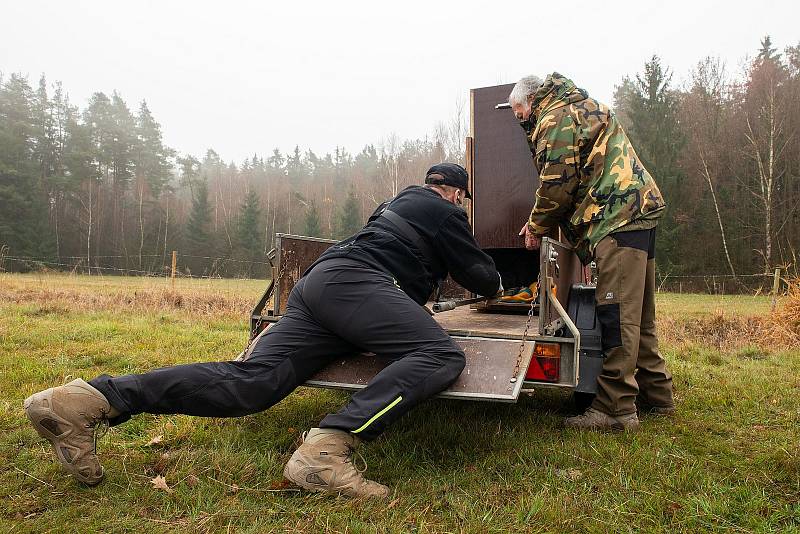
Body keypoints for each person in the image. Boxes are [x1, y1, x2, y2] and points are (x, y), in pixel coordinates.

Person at [24, 163, 502, 499]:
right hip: (357, 285)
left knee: (252, 382)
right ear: (456, 192)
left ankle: (87, 400)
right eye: (461, 196)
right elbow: (479, 275)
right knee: (439, 355)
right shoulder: (444, 211)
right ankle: (327, 451)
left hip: (322, 285)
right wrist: (503, 283)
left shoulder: (394, 206)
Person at [508, 73, 675, 432]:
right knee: (638, 317)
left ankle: (615, 409)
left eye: (518, 111)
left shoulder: (554, 117)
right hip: (634, 213)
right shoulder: (577, 106)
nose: (518, 118)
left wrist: (536, 226)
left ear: (530, 101)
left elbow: (557, 184)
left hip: (614, 217)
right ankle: (658, 396)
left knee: (616, 315)